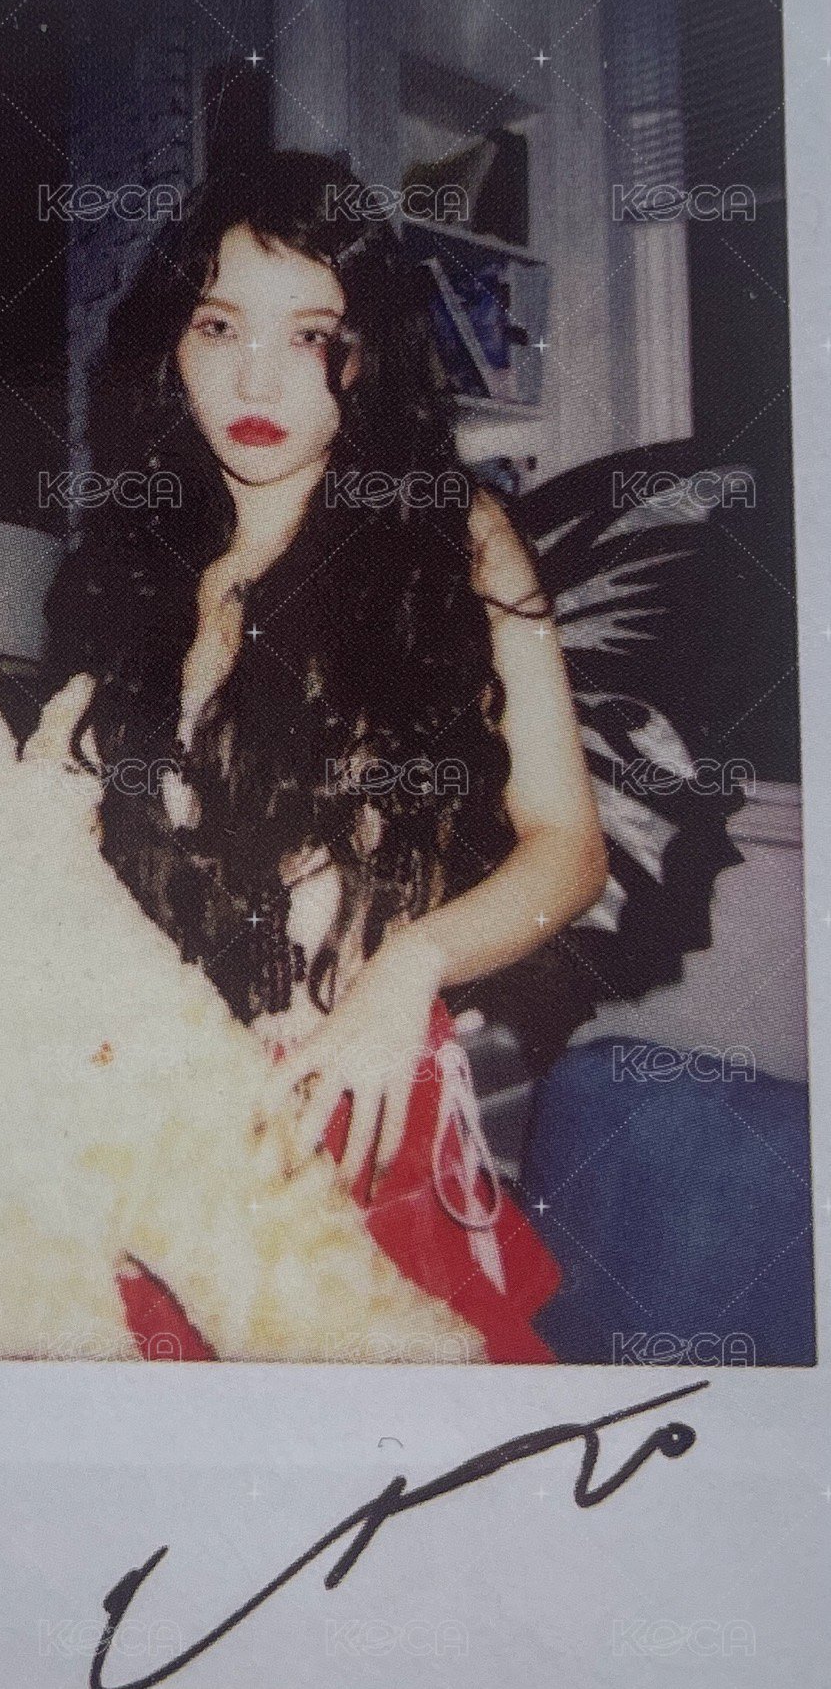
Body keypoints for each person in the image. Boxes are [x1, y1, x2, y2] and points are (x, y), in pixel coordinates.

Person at [42, 150, 609, 1363]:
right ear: (170, 342)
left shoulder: (450, 535)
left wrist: (410, 967)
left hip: (357, 1119)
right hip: (150, 1130)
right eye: (218, 325)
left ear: (363, 354)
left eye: (309, 336)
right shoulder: (124, 567)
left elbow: (568, 849)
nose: (256, 377)